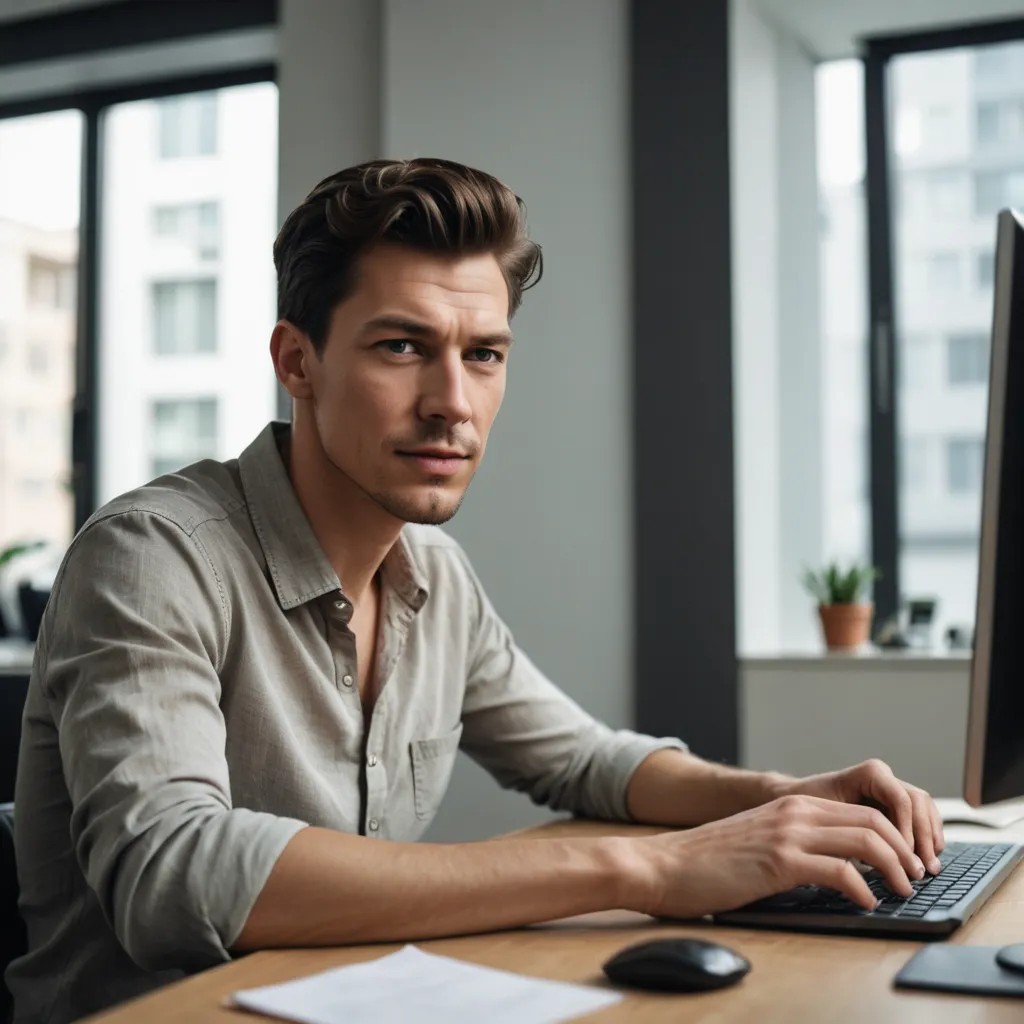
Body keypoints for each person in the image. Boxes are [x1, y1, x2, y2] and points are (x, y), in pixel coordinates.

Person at [7, 158, 944, 1023]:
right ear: (297, 361)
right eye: (404, 347)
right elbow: (174, 877)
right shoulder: (151, 558)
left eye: (484, 354)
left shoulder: (433, 574)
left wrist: (784, 799)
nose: (453, 401)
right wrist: (653, 868)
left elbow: (584, 763)